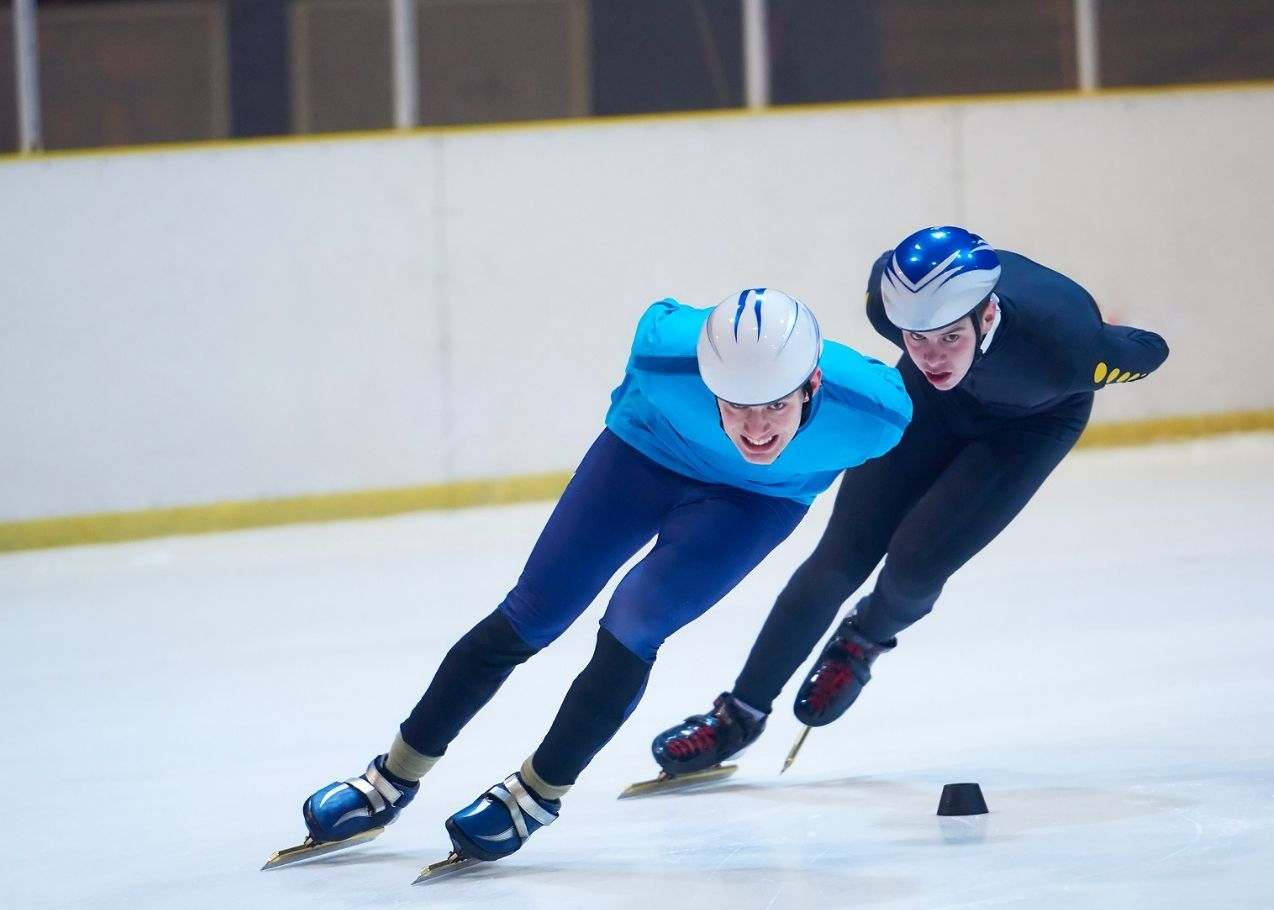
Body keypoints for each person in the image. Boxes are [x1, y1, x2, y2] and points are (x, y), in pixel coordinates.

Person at [286, 288, 912, 868]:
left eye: (775, 404)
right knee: (533, 611)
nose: (755, 428)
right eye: (734, 404)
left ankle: (538, 792)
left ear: (814, 383)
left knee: (634, 620)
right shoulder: (665, 357)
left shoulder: (876, 412)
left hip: (755, 502)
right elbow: (660, 314)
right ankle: (390, 778)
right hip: (644, 456)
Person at [651, 226, 1170, 775]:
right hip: (933, 406)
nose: (932, 354)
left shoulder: (1069, 348)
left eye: (950, 337)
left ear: (987, 316)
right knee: (838, 558)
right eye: (917, 338)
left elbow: (1151, 350)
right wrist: (931, 348)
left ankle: (865, 639)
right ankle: (739, 715)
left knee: (917, 565)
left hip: (1030, 427)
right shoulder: (891, 303)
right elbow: (919, 330)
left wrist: (1101, 339)